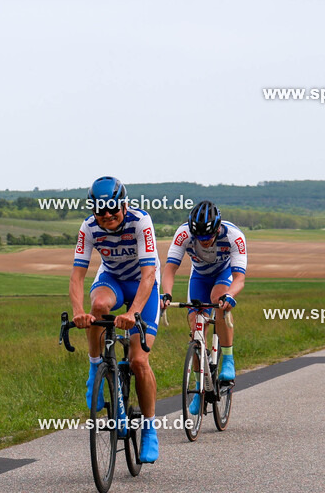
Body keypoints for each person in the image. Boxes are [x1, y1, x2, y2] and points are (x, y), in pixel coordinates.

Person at [69, 177, 161, 462]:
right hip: (111, 280)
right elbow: (77, 276)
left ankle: (149, 430)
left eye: (112, 209)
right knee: (97, 306)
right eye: (100, 210)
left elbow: (148, 275)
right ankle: (96, 367)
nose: (107, 215)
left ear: (124, 204)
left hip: (142, 285)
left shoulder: (140, 222)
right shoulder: (89, 227)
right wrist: (77, 313)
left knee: (138, 361)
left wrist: (133, 313)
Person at [160, 200, 247, 415]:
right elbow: (170, 269)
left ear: (218, 228)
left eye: (208, 237)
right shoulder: (183, 234)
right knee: (196, 326)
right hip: (199, 276)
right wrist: (167, 294)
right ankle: (201, 385)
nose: (204, 241)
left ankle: (227, 358)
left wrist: (230, 295)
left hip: (223, 274)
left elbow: (239, 278)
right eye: (199, 237)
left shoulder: (234, 236)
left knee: (219, 299)